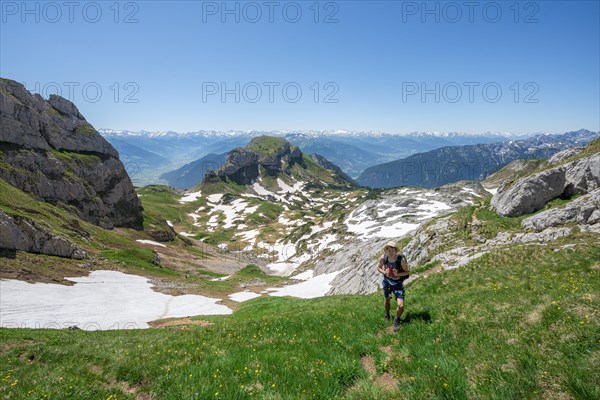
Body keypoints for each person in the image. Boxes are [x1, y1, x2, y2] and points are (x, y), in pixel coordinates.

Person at [377, 241, 409, 332]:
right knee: (387, 298)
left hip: (398, 284)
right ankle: (387, 314)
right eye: (389, 250)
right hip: (387, 282)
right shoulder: (384, 257)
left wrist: (398, 273)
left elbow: (407, 272)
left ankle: (396, 319)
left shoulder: (401, 260)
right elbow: (378, 267)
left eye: (392, 250)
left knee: (401, 305)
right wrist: (384, 272)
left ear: (396, 251)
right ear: (386, 250)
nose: (390, 252)